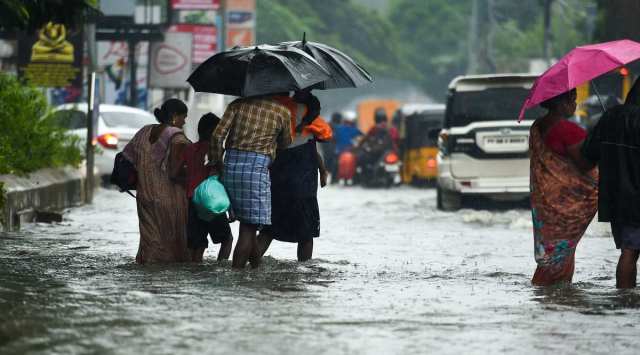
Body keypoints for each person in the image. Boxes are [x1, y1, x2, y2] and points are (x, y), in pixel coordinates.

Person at [209, 95, 292, 270]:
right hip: (256, 169)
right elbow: (285, 143)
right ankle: (237, 275)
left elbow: (217, 136)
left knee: (249, 224)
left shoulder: (237, 104)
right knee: (248, 228)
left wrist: (217, 162)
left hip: (230, 167)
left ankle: (256, 268)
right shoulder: (282, 112)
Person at [528, 89, 598, 286]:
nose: (574, 104)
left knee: (554, 253)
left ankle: (549, 295)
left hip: (546, 203)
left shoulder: (537, 126)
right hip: (567, 205)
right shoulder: (566, 129)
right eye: (572, 99)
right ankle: (556, 297)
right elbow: (585, 164)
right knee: (560, 255)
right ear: (561, 102)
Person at [257, 91, 333, 261]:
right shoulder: (308, 114)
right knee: (306, 232)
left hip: (278, 179)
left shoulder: (272, 110)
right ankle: (304, 269)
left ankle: (249, 266)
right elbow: (313, 150)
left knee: (268, 229)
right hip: (303, 182)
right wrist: (322, 171)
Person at [582, 79, 640, 288]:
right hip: (635, 198)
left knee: (629, 251)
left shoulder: (610, 116)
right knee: (630, 252)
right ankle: (625, 302)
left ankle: (623, 300)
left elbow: (588, 154)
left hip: (615, 199)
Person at [122, 98, 191, 264]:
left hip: (145, 195)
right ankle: (164, 279)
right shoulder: (177, 137)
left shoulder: (144, 131)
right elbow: (174, 172)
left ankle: (147, 271)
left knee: (150, 240)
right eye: (183, 117)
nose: (184, 121)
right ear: (175, 116)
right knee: (172, 245)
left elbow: (128, 157)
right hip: (169, 199)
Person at [183, 113, 233, 262]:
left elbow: (178, 172)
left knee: (197, 246)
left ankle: (195, 274)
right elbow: (222, 176)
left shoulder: (189, 149)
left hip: (192, 200)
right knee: (227, 240)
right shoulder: (216, 151)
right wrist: (231, 208)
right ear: (214, 131)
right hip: (209, 200)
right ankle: (219, 269)